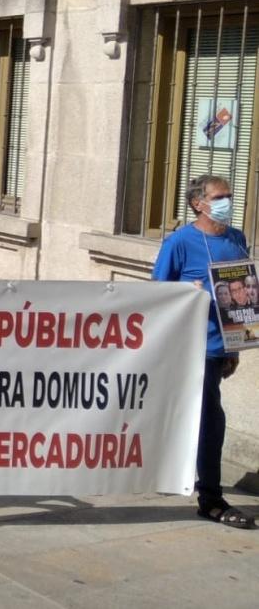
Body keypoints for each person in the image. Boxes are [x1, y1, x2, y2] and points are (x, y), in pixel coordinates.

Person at [152, 174, 254, 529]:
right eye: (220, 196)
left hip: (219, 346)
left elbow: (243, 294)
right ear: (199, 203)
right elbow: (157, 296)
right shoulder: (179, 242)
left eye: (229, 195)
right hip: (189, 347)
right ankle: (210, 498)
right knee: (212, 419)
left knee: (204, 417)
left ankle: (196, 482)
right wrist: (187, 291)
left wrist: (236, 348)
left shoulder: (236, 239)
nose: (228, 201)